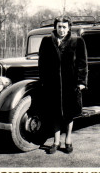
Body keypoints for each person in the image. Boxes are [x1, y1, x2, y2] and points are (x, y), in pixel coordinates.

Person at [38, 16, 88, 154]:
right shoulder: (47, 41)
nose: (62, 30)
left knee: (69, 114)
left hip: (70, 84)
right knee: (54, 113)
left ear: (69, 28)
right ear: (56, 27)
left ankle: (68, 140)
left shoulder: (77, 41)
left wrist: (81, 82)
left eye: (64, 27)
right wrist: (43, 81)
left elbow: (82, 64)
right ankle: (55, 142)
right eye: (59, 26)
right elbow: (42, 63)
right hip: (52, 84)